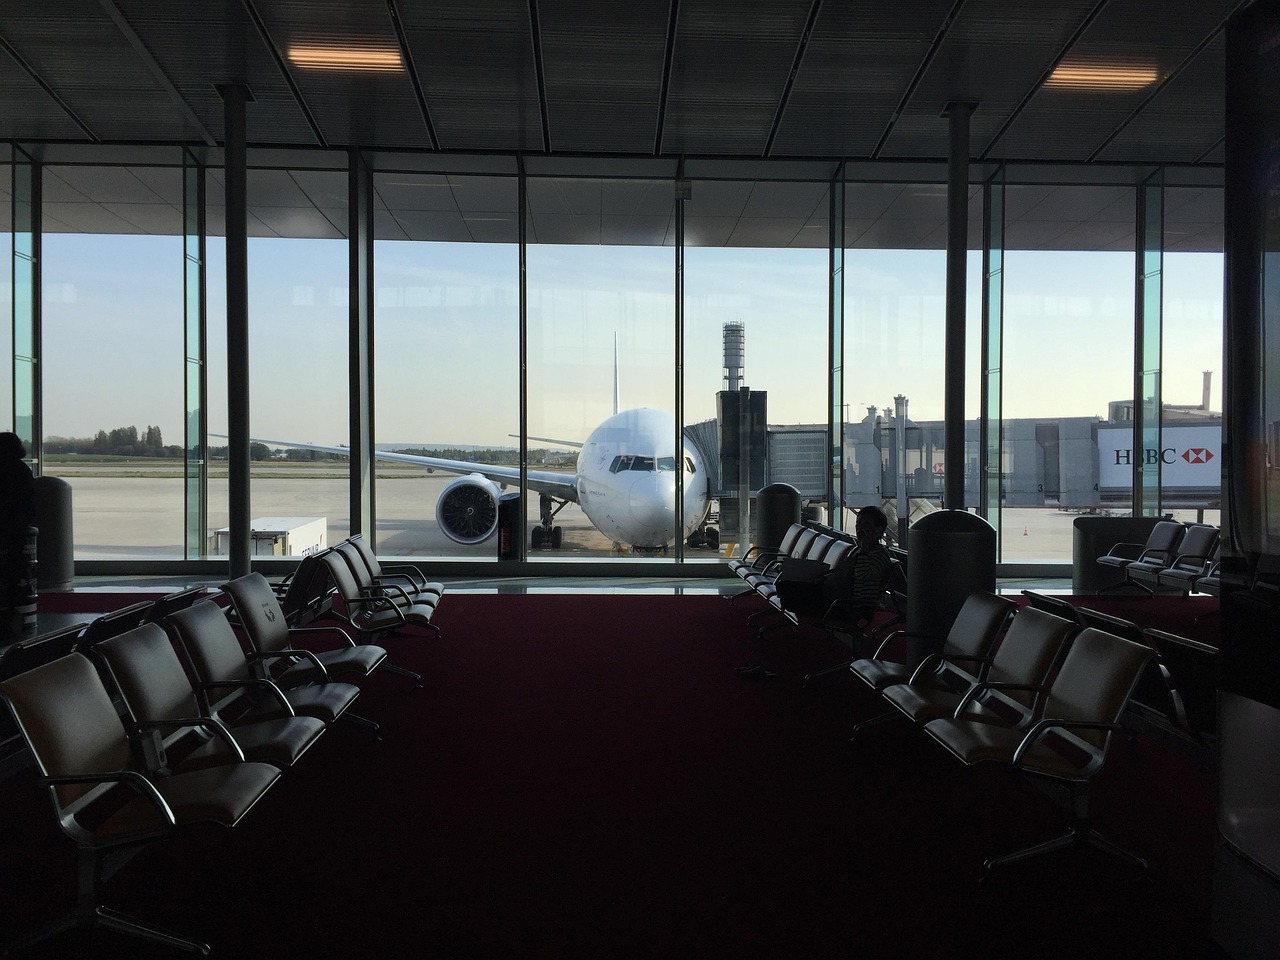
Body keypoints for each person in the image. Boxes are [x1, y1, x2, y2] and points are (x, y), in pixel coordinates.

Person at [775, 505, 892, 626]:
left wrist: (864, 550)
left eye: (866, 524)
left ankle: (797, 627)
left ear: (878, 531)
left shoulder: (880, 555)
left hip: (844, 605)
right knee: (785, 587)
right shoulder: (859, 551)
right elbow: (843, 573)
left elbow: (861, 574)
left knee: (788, 592)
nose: (860, 527)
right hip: (833, 595)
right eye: (858, 523)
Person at [0, 433, 36, 640]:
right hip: (18, 532)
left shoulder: (5, 470)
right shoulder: (22, 470)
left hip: (7, 531)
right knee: (14, 577)